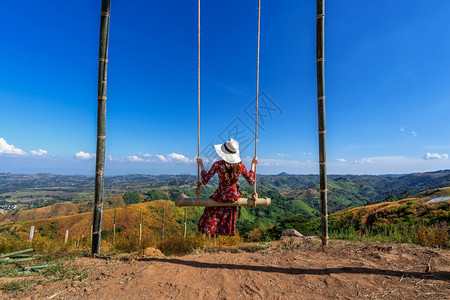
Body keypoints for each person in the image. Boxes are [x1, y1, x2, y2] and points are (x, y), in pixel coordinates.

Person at [196, 138, 258, 236]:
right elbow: (251, 181)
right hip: (234, 196)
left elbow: (204, 181)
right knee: (228, 210)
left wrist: (201, 166)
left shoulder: (218, 165)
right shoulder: (240, 165)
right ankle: (226, 230)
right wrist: (253, 165)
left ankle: (211, 229)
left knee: (211, 209)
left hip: (220, 195)